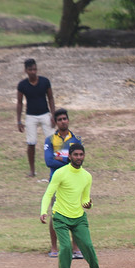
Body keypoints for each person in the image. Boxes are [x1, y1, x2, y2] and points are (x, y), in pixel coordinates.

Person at [39, 143, 102, 268]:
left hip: (79, 218)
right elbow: (49, 193)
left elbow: (85, 199)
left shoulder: (87, 176)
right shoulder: (60, 173)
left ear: (84, 156)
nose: (79, 157)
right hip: (60, 217)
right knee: (66, 248)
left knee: (88, 247)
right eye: (76, 155)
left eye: (81, 155)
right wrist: (43, 211)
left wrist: (88, 205)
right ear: (70, 156)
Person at [42, 108, 83, 259]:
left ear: (68, 120)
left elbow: (78, 160)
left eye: (65, 118)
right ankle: (54, 247)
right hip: (56, 182)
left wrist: (60, 159)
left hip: (73, 182)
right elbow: (48, 161)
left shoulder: (75, 140)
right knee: (56, 214)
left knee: (76, 213)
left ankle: (76, 248)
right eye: (59, 119)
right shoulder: (50, 140)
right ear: (56, 122)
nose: (63, 121)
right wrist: (68, 161)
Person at [16, 58, 55, 177]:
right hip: (31, 116)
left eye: (34, 69)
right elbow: (19, 102)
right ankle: (32, 170)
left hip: (45, 114)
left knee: (52, 142)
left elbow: (51, 98)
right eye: (30, 70)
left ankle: (55, 168)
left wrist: (53, 115)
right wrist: (19, 120)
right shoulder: (22, 85)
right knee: (31, 143)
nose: (33, 72)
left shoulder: (44, 82)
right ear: (25, 71)